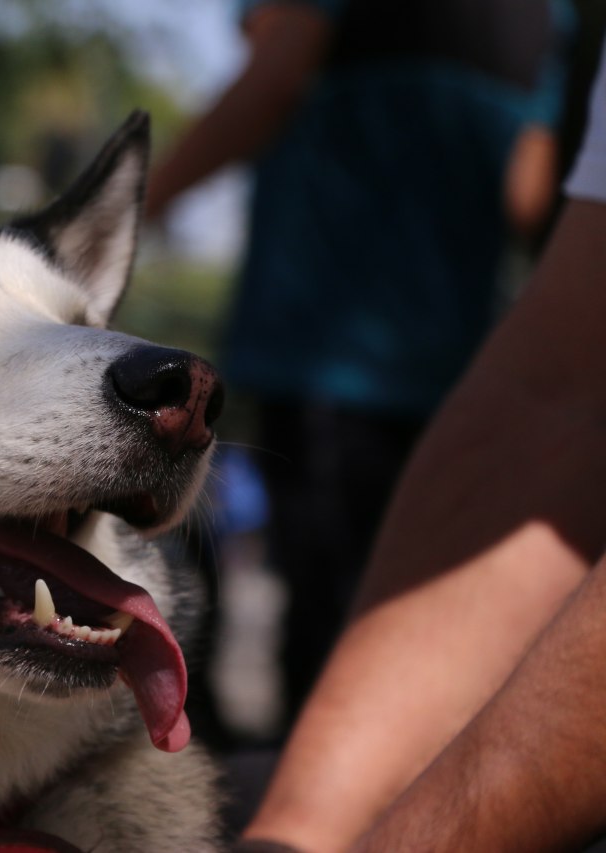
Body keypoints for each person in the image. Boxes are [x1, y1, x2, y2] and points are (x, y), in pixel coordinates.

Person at [146, 0, 571, 721]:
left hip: (324, 357)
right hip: (459, 378)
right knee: (413, 633)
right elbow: (528, 195)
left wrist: (138, 198)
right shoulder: (549, 13)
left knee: (321, 647)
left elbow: (270, 80)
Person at [236, 44, 606, 850]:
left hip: (338, 376)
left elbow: (273, 71)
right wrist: (301, 832)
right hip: (427, 387)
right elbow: (565, 391)